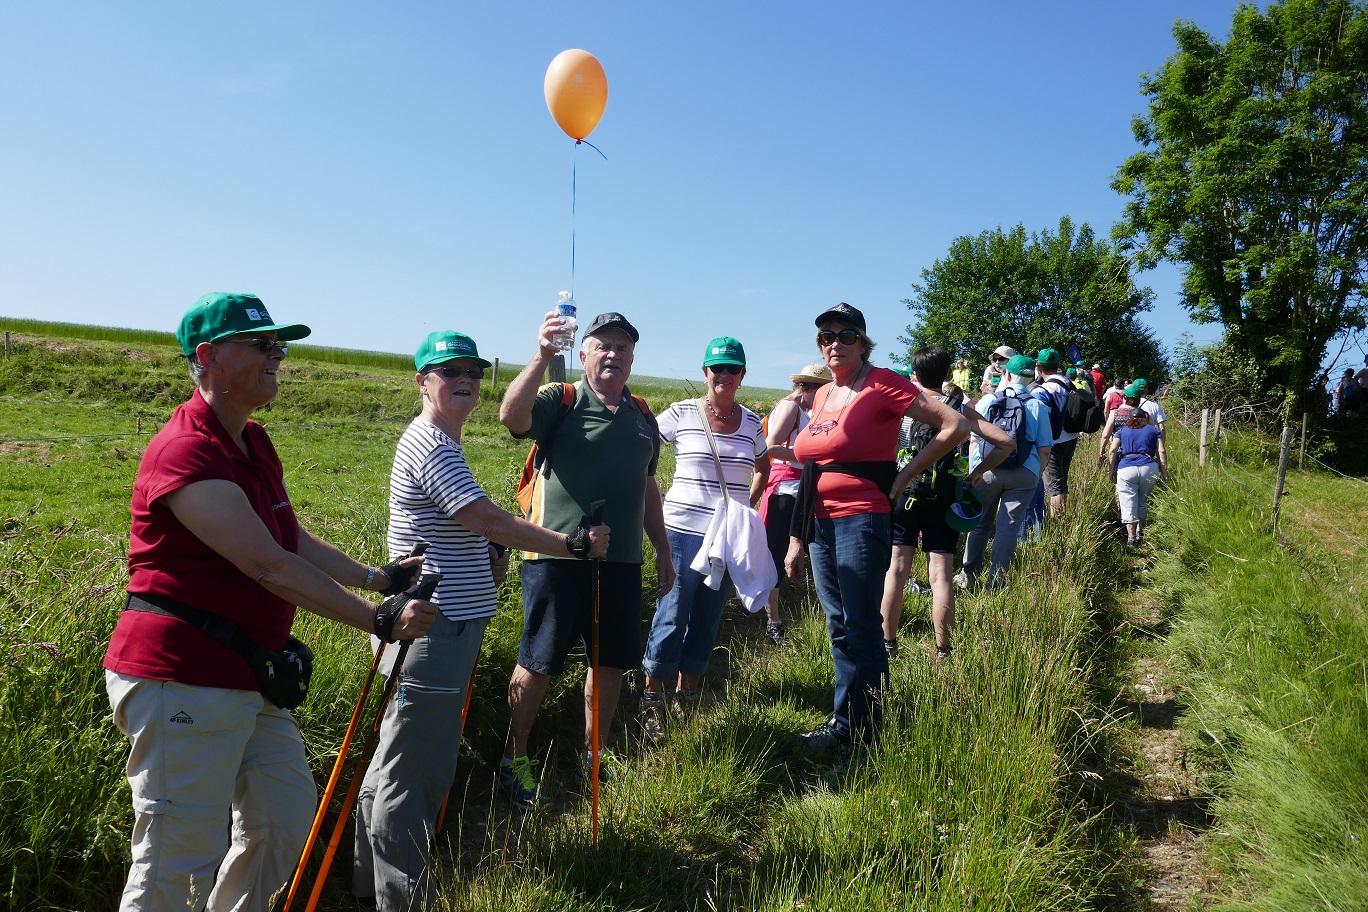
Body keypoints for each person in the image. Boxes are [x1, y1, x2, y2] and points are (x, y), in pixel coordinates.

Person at [102, 293, 438, 912]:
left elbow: (288, 536)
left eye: (278, 344)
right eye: (260, 344)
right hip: (183, 676)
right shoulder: (186, 452)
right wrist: (378, 621)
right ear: (207, 358)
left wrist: (377, 578)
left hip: (249, 673)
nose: (277, 355)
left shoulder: (252, 441)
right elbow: (264, 563)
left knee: (282, 820)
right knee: (178, 851)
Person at [353, 331, 608, 911]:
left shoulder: (442, 441)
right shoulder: (431, 445)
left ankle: (370, 887)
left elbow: (465, 530)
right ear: (422, 381)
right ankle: (404, 898)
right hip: (433, 626)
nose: (463, 378)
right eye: (447, 370)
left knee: (399, 754)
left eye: (471, 369)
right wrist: (570, 544)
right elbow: (487, 518)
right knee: (416, 766)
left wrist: (481, 562)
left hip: (437, 620)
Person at [497, 310, 673, 805]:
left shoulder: (642, 415)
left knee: (612, 660)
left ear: (633, 359)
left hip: (621, 563)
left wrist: (661, 549)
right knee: (539, 660)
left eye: (623, 346)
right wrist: (542, 355)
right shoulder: (563, 398)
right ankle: (516, 758)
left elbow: (647, 487)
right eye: (604, 345)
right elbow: (512, 418)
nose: (614, 353)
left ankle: (596, 753)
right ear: (584, 354)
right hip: (556, 557)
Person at [778, 303, 971, 751]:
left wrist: (905, 477)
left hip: (862, 518)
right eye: (826, 336)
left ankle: (867, 736)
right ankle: (845, 723)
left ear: (864, 343)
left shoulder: (884, 383)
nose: (835, 344)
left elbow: (955, 425)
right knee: (838, 624)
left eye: (846, 336)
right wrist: (796, 534)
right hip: (822, 521)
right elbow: (815, 461)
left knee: (862, 625)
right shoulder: (824, 394)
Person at [638, 337, 770, 734]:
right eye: (717, 368)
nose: (724, 376)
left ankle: (688, 692)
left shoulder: (750, 423)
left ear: (743, 375)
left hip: (726, 538)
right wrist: (655, 494)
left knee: (708, 616)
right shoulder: (681, 413)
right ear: (705, 372)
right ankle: (651, 697)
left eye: (733, 369)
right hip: (680, 532)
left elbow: (763, 465)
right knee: (673, 612)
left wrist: (747, 503)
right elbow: (640, 447)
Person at [879, 346, 1014, 659]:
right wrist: (976, 473)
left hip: (905, 492)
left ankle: (888, 645)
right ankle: (944, 651)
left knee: (896, 570)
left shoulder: (904, 405)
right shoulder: (959, 407)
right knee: (940, 574)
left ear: (914, 375)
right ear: (949, 374)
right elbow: (1006, 442)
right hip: (945, 497)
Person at [751, 362, 832, 644]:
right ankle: (773, 623)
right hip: (785, 490)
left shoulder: (798, 408)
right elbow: (770, 447)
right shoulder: (790, 407)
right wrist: (811, 458)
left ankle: (774, 617)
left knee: (784, 553)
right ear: (811, 388)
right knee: (775, 555)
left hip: (796, 489)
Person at [960, 354, 1054, 588]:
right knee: (1008, 527)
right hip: (1024, 472)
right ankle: (997, 580)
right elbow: (1044, 449)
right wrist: (1035, 474)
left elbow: (973, 441)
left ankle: (969, 574)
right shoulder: (1037, 405)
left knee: (980, 523)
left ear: (1007, 374)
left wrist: (976, 471)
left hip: (988, 469)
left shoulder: (988, 401)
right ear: (1031, 377)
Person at [1110, 403, 1167, 546]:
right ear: (1145, 417)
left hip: (1126, 468)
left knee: (1128, 502)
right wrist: (1164, 473)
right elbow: (1161, 451)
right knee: (1142, 500)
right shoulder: (1153, 431)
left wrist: (1112, 468)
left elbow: (1112, 450)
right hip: (1149, 467)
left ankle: (1130, 537)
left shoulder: (1122, 430)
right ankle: (1140, 532)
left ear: (1129, 418)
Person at [1032, 348, 1079, 516]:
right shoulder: (1068, 383)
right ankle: (1063, 519)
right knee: (1062, 482)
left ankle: (1057, 525)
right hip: (1071, 437)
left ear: (1038, 366)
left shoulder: (1042, 390)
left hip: (1053, 442)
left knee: (1054, 487)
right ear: (1059, 364)